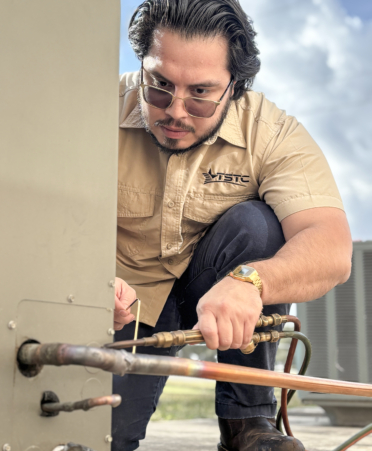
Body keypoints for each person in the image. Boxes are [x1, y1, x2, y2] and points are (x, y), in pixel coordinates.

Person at [112, 1, 352, 450]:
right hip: (128, 303)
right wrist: (89, 286)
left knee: (258, 225)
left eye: (201, 92)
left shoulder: (275, 132)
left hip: (220, 278)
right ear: (140, 64)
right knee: (95, 438)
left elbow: (332, 248)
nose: (175, 111)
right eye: (160, 85)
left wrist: (251, 281)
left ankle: (248, 423)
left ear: (235, 86)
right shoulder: (87, 116)